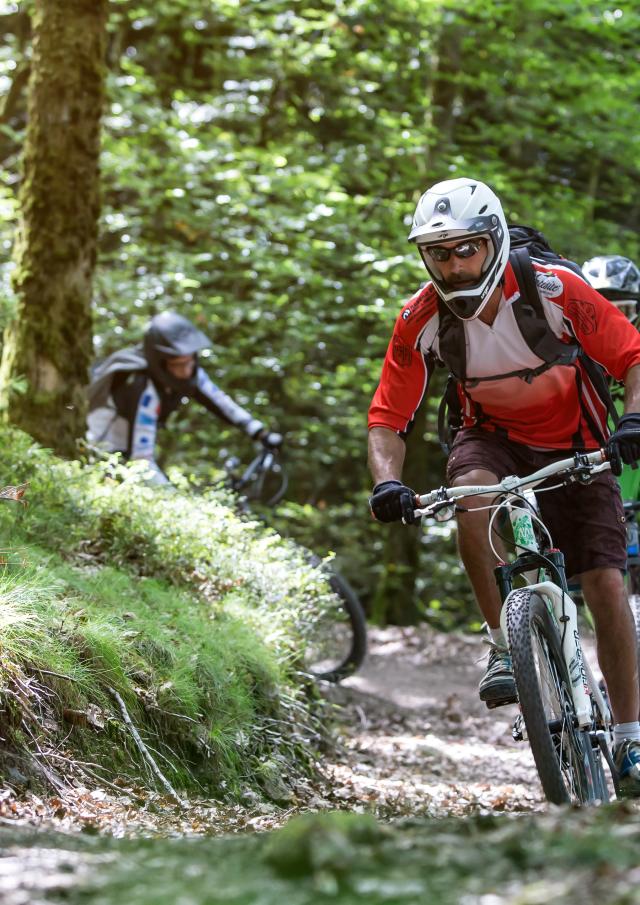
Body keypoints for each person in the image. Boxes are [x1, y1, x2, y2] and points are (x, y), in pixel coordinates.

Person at [367, 176, 640, 796]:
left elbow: (630, 355)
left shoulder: (553, 289)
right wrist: (387, 483)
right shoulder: (421, 317)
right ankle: (502, 645)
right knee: (472, 499)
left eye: (468, 249)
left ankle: (630, 740)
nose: (454, 264)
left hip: (578, 438)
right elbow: (387, 415)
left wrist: (634, 419)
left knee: (604, 585)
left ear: (493, 241)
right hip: (488, 434)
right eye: (439, 252)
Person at [87, 311, 282, 484]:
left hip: (130, 454)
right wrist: (172, 499)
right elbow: (141, 459)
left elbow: (219, 400)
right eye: (178, 365)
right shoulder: (141, 386)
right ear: (160, 362)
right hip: (104, 449)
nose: (186, 371)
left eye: (189, 362)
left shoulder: (190, 372)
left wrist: (258, 432)